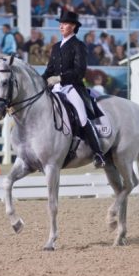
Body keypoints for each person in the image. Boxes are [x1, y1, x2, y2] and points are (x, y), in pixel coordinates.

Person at [42, 10, 105, 167]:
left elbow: (79, 71)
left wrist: (61, 77)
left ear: (73, 26)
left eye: (64, 24)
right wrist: (40, 81)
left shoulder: (79, 45)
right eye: (60, 24)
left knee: (82, 117)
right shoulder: (56, 47)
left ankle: (98, 153)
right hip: (55, 88)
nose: (61, 26)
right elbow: (49, 70)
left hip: (72, 87)